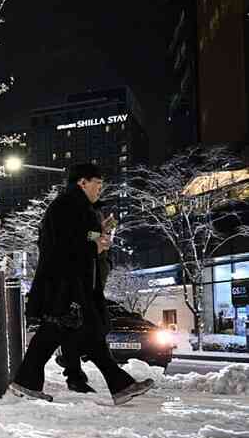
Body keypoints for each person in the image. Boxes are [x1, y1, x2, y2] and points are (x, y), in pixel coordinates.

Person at [9, 163, 154, 406]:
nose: (100, 188)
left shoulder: (77, 207)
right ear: (82, 182)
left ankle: (121, 386)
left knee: (88, 335)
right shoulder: (67, 205)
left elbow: (77, 237)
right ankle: (27, 382)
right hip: (65, 284)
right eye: (97, 183)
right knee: (56, 331)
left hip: (74, 284)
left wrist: (100, 234)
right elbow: (61, 245)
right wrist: (94, 245)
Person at [58, 201, 115, 393]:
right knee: (85, 329)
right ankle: (119, 383)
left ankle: (73, 371)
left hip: (90, 285)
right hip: (78, 287)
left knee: (89, 330)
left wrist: (103, 234)